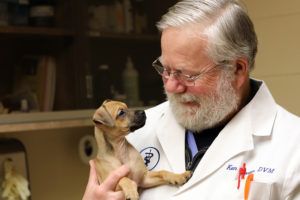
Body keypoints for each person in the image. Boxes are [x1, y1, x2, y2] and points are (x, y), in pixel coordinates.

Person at [83, 0, 300, 199]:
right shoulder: (135, 132)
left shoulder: (292, 146)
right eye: (165, 69)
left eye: (187, 74)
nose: (169, 86)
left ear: (237, 69)